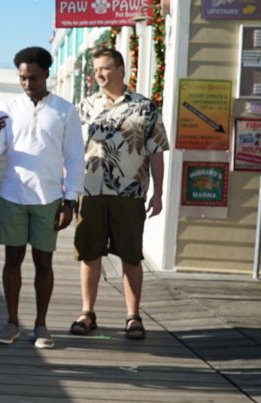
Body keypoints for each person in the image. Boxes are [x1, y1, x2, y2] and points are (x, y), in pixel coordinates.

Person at [0, 46, 83, 350]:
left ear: (47, 74)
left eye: (33, 77)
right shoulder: (9, 107)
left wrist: (70, 200)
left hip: (49, 197)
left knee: (43, 262)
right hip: (13, 194)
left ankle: (41, 325)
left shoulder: (65, 110)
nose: (27, 83)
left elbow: (75, 158)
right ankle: (12, 322)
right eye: (23, 78)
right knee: (12, 261)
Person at [70, 47, 168, 340]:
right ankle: (87, 312)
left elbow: (157, 153)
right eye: (96, 69)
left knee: (130, 255)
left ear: (121, 69)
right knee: (89, 253)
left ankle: (133, 316)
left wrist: (159, 192)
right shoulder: (84, 107)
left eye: (105, 68)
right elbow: (72, 151)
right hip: (90, 189)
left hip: (130, 192)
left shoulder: (145, 107)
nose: (99, 74)